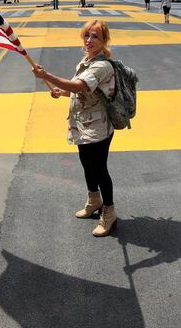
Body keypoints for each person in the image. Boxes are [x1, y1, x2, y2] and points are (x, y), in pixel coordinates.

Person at [31, 20, 118, 237]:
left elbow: (81, 86)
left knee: (99, 169)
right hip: (81, 124)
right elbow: (79, 91)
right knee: (87, 166)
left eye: (95, 36)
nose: (89, 40)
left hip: (98, 127)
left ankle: (109, 213)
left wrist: (47, 76)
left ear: (104, 40)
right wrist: (61, 91)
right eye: (87, 35)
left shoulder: (102, 65)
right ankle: (94, 200)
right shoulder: (85, 62)